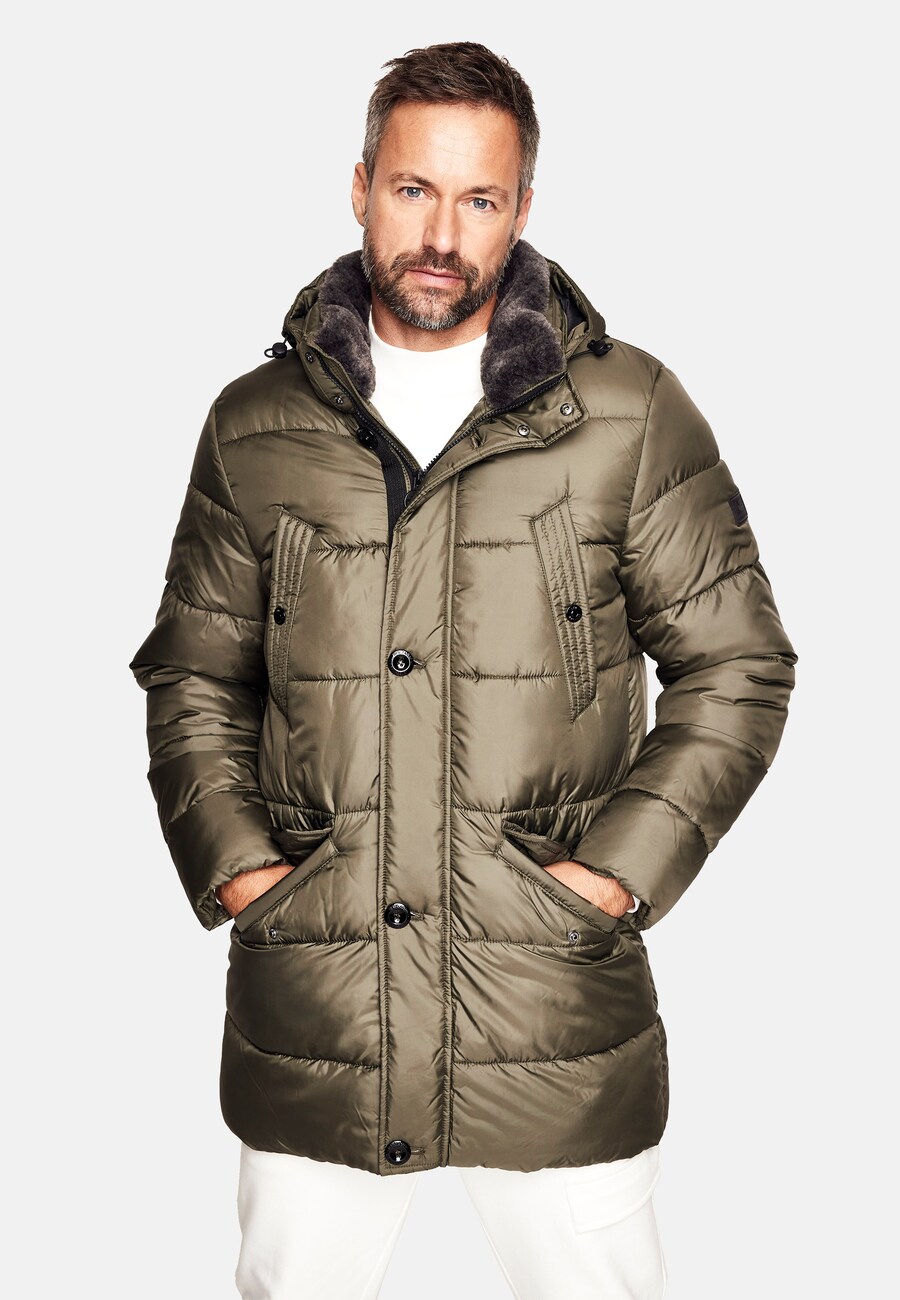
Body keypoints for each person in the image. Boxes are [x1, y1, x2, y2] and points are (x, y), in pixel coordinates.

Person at [129, 40, 797, 1300]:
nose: (442, 235)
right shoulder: (255, 425)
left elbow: (737, 661)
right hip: (319, 1005)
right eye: (413, 189)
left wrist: (613, 879)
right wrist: (247, 874)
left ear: (523, 207)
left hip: (550, 1007)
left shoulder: (629, 412)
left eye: (480, 199)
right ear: (360, 185)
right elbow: (196, 675)